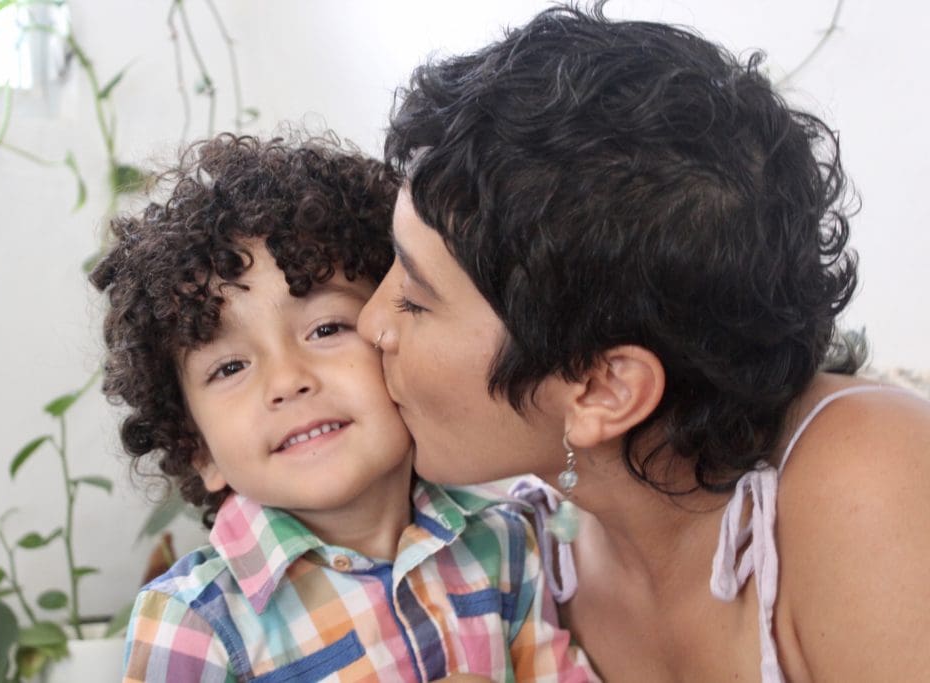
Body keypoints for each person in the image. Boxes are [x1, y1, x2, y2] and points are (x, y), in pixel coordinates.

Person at [357, 4, 930, 682]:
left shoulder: (874, 482)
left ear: (604, 389)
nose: (371, 323)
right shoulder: (514, 556)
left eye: (415, 298)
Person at [91, 133, 591, 682]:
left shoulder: (507, 541)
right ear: (198, 450)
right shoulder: (195, 626)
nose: (288, 381)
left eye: (326, 329)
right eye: (229, 368)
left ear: (395, 340)